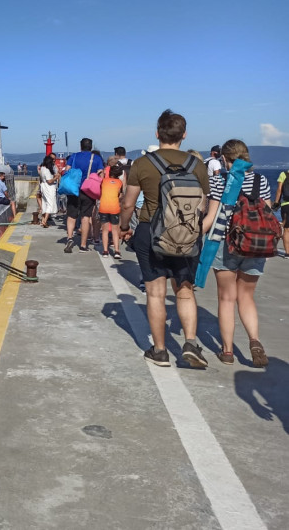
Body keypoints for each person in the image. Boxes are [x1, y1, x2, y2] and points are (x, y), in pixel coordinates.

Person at [120, 109, 210, 368]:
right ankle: (191, 343)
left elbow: (128, 203)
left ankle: (159, 351)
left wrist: (125, 227)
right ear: (184, 135)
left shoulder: (143, 164)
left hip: (151, 231)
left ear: (157, 133)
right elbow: (202, 204)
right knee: (184, 290)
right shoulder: (197, 165)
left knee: (156, 293)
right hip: (187, 234)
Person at [201, 139, 272, 366]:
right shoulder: (261, 181)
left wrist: (192, 238)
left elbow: (210, 218)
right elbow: (268, 215)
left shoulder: (219, 181)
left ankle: (228, 351)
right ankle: (254, 341)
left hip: (225, 244)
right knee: (246, 297)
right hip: (255, 245)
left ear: (224, 158)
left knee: (226, 298)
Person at [63, 137, 104, 253]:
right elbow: (101, 174)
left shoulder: (73, 156)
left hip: (74, 190)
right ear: (91, 147)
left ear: (80, 146)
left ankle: (70, 238)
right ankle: (83, 244)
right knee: (86, 217)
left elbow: (67, 170)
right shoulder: (96, 158)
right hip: (88, 191)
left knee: (71, 215)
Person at [99, 162, 124, 258]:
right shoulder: (119, 183)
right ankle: (117, 251)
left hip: (104, 207)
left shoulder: (104, 181)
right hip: (114, 208)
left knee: (105, 230)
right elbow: (120, 195)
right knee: (115, 230)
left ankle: (105, 251)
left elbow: (101, 192)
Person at [38, 154, 59, 227]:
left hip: (43, 186)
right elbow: (49, 181)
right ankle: (45, 221)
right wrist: (55, 178)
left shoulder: (42, 168)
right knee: (50, 204)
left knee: (45, 203)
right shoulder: (47, 170)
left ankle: (43, 220)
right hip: (49, 187)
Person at [274, 168, 289, 257]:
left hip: (286, 204)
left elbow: (279, 189)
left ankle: (287, 253)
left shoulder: (283, 174)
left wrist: (276, 202)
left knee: (287, 229)